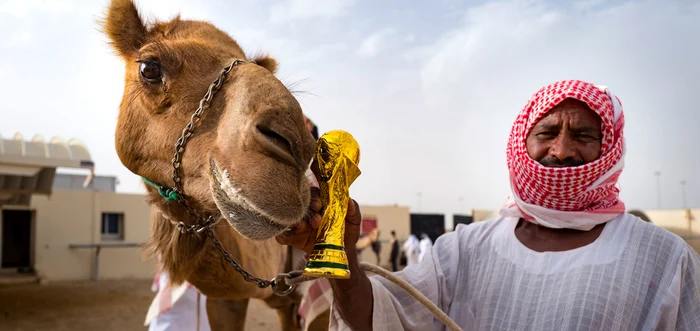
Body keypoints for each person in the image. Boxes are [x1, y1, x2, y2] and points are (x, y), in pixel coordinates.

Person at [277, 79, 700, 330]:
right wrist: (341, 252)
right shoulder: (462, 250)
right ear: (522, 143)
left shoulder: (664, 260)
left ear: (611, 149)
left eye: (585, 136)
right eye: (548, 132)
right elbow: (384, 320)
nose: (563, 150)